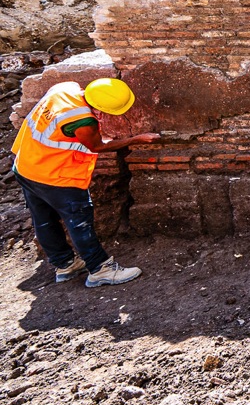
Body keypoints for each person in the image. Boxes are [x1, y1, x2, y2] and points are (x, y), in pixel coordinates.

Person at [11, 78, 159, 287]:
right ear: (100, 108)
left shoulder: (64, 88)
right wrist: (135, 139)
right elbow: (96, 146)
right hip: (55, 176)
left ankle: (65, 264)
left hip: (26, 166)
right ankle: (100, 269)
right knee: (79, 221)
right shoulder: (83, 121)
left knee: (43, 219)